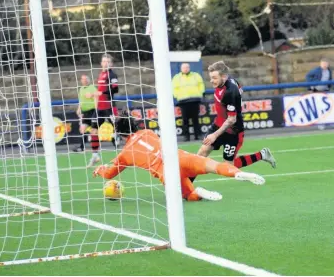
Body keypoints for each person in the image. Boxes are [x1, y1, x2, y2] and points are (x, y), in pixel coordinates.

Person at [92, 115, 265, 201]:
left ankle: (198, 192)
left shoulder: (124, 155)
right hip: (180, 157)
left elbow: (108, 174)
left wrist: (100, 170)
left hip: (167, 173)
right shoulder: (148, 132)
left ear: (120, 134)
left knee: (188, 195)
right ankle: (237, 173)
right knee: (216, 165)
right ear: (135, 125)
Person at [197, 61, 276, 173]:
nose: (211, 81)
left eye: (214, 78)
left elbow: (231, 119)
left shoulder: (230, 92)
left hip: (233, 131)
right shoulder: (228, 82)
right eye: (211, 77)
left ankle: (262, 155)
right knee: (201, 155)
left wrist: (214, 135)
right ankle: (185, 186)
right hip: (218, 124)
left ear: (223, 77)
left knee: (228, 167)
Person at [88, 54, 119, 167]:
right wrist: (94, 95)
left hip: (109, 107)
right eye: (104, 61)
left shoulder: (112, 75)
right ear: (101, 63)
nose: (105, 63)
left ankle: (129, 151)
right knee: (93, 130)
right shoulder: (101, 74)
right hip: (100, 108)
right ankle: (95, 155)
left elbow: (115, 89)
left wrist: (101, 93)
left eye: (108, 61)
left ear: (111, 64)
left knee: (119, 129)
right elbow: (99, 91)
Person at [172, 62, 205, 142]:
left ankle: (198, 135)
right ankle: (186, 137)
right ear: (181, 69)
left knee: (196, 119)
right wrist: (177, 96)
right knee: (185, 120)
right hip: (183, 101)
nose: (185, 69)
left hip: (195, 100)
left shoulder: (195, 75)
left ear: (189, 68)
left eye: (187, 67)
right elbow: (174, 88)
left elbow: (201, 85)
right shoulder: (177, 77)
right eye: (184, 68)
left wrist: (200, 93)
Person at [73, 75, 98, 152]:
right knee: (82, 129)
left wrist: (97, 110)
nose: (84, 80)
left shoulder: (92, 88)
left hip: (93, 111)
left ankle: (114, 143)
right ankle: (81, 147)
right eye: (82, 79)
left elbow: (96, 98)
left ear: (88, 80)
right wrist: (79, 108)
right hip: (85, 113)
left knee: (95, 131)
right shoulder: (81, 89)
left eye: (85, 79)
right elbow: (81, 100)